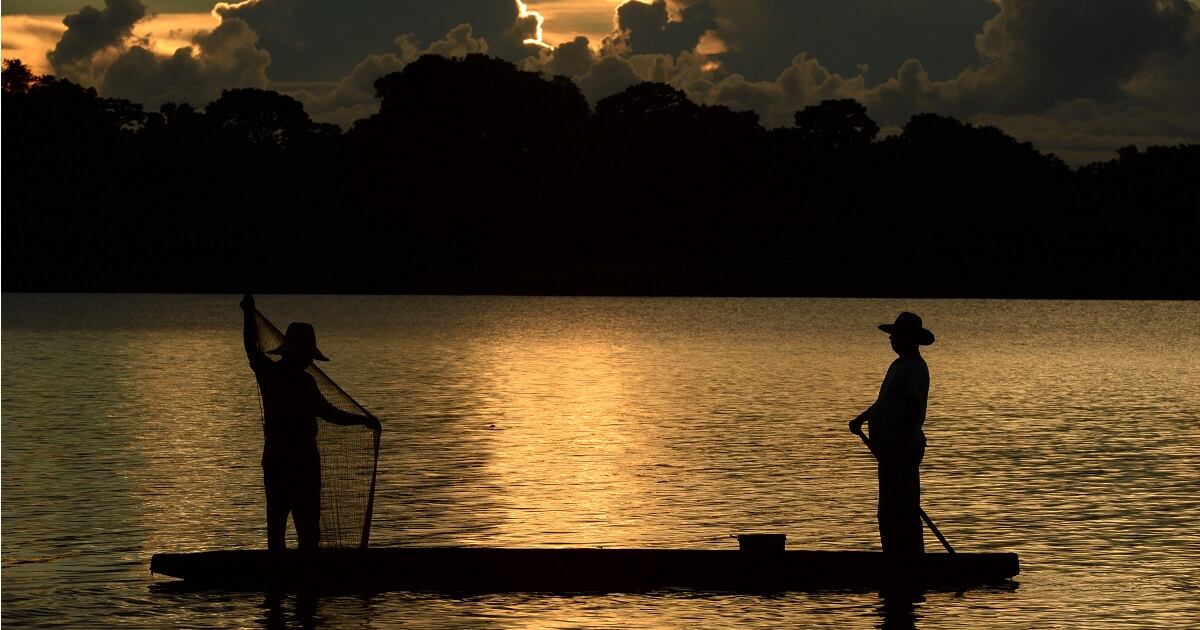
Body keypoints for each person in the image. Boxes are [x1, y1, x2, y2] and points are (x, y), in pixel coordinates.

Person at [240, 294, 381, 551]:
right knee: (295, 528)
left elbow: (329, 413)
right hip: (293, 464)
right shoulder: (280, 377)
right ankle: (298, 571)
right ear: (298, 354)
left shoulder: (284, 377)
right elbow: (329, 413)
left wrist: (362, 420)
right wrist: (249, 316)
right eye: (307, 355)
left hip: (287, 462)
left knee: (291, 529)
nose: (309, 361)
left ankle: (293, 571)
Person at [848, 311, 935, 557]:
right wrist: (863, 418)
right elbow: (886, 403)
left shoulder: (914, 368)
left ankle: (909, 559)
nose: (891, 339)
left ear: (908, 338)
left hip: (902, 449)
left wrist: (901, 445)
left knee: (903, 509)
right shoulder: (899, 365)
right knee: (889, 509)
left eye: (895, 335)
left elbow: (912, 406)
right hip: (890, 449)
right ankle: (895, 556)